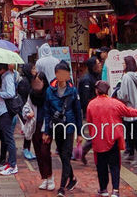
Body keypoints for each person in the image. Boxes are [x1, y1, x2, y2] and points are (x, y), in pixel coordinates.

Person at [85, 81, 137, 197]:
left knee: (101, 165)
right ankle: (115, 190)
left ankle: (103, 189)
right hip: (113, 138)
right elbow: (129, 112)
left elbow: (90, 123)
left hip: (99, 139)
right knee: (114, 165)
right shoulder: (115, 103)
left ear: (97, 90)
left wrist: (93, 137)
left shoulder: (91, 105)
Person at [43, 62, 82, 197]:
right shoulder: (50, 90)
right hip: (56, 127)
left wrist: (80, 132)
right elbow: (47, 112)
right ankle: (72, 178)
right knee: (62, 155)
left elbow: (78, 112)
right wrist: (47, 131)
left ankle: (61, 187)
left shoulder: (73, 91)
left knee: (66, 155)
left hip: (69, 127)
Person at [117, 56, 137, 166]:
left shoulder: (126, 77)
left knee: (132, 134)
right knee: (134, 133)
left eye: (124, 63)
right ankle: (134, 155)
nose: (123, 65)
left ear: (127, 64)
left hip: (129, 108)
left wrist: (118, 93)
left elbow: (124, 95)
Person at [27, 70, 53, 190]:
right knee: (38, 152)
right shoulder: (32, 94)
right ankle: (44, 177)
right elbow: (26, 106)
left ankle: (50, 177)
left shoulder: (49, 94)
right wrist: (28, 112)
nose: (36, 85)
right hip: (35, 126)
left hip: (46, 126)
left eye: (39, 82)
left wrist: (48, 130)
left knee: (45, 152)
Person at [0, 63, 20, 175]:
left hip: (6, 110)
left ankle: (13, 165)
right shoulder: (5, 77)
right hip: (2, 110)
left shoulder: (8, 77)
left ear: (0, 69)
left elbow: (10, 93)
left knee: (9, 138)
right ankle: (10, 163)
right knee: (5, 137)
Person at [75, 55, 101, 164]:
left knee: (98, 134)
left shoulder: (96, 76)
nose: (100, 65)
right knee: (97, 134)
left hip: (99, 110)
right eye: (98, 63)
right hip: (92, 112)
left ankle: (84, 152)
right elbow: (85, 99)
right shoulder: (86, 79)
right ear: (93, 66)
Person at [18, 63, 36, 161]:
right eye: (33, 68)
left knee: (29, 129)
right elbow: (23, 98)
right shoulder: (24, 82)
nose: (35, 70)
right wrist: (26, 111)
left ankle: (27, 149)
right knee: (28, 129)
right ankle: (26, 149)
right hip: (26, 109)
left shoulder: (30, 80)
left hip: (29, 108)